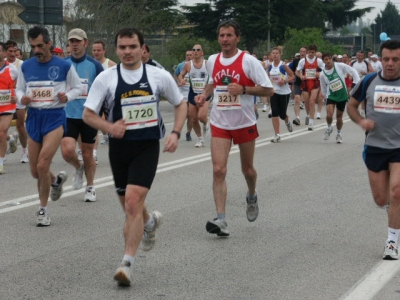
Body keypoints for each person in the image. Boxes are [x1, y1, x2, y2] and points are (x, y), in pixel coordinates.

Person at [82, 27, 187, 286]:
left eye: (132, 46)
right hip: (119, 148)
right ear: (116, 49)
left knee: (132, 203)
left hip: (147, 146)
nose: (127, 52)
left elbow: (180, 103)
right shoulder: (106, 78)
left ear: (142, 48)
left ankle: (126, 264)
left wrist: (175, 132)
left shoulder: (158, 76)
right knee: (132, 208)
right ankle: (149, 222)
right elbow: (88, 114)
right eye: (122, 47)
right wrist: (109, 128)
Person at [195, 20, 274, 236]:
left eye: (229, 35)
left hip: (244, 122)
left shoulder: (248, 61)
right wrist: (205, 94)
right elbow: (213, 83)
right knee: (218, 169)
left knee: (247, 170)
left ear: (237, 38)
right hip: (220, 122)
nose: (225, 39)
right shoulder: (212, 60)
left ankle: (251, 195)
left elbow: (269, 90)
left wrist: (245, 89)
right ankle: (221, 220)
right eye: (222, 35)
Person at [16, 26, 82, 226]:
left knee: (43, 164)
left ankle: (42, 210)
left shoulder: (63, 66)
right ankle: (55, 181)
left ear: (49, 44)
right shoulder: (26, 66)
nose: (36, 50)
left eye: (40, 45)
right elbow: (19, 89)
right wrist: (23, 98)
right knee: (36, 171)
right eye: (33, 46)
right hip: (34, 117)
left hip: (54, 117)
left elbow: (78, 87)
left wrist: (67, 96)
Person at [347, 40, 400, 260]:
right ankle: (393, 209)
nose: (390, 64)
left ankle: (391, 243)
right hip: (375, 147)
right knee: (381, 199)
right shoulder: (368, 81)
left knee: (397, 191)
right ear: (380, 59)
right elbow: (351, 105)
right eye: (386, 59)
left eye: (395, 59)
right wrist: (361, 121)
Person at [61, 28, 103, 202]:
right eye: (72, 41)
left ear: (85, 43)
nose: (75, 44)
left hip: (88, 116)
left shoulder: (95, 65)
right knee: (67, 150)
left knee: (87, 154)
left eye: (78, 41)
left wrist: (103, 112)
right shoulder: (63, 64)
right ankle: (78, 168)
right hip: (67, 115)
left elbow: (104, 89)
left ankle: (90, 187)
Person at [319, 52, 359, 143]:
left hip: (342, 95)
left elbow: (353, 71)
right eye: (326, 59)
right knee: (329, 114)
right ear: (323, 61)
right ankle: (329, 127)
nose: (328, 61)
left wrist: (355, 82)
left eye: (329, 58)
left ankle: (338, 133)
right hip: (331, 95)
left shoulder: (339, 66)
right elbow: (323, 87)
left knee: (339, 116)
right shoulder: (322, 74)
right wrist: (325, 97)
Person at [178, 44, 210, 147]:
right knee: (194, 119)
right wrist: (181, 80)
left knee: (201, 116)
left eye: (198, 50)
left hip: (205, 93)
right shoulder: (188, 65)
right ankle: (200, 139)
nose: (195, 52)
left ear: (202, 52)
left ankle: (206, 123)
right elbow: (181, 74)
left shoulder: (207, 64)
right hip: (193, 93)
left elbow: (214, 76)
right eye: (194, 50)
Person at [5, 40, 28, 163]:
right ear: (5, 52)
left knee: (20, 126)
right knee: (2, 128)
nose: (13, 54)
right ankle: (10, 139)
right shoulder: (2, 64)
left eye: (15, 51)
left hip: (18, 99)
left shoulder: (22, 64)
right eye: (10, 51)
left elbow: (25, 82)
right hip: (5, 99)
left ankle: (25, 151)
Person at [91, 39, 117, 146]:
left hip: (108, 96)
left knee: (106, 117)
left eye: (98, 50)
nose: (96, 52)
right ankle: (107, 135)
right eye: (94, 50)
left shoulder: (110, 64)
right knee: (98, 117)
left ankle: (110, 134)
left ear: (104, 51)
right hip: (95, 95)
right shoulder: (90, 63)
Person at [267, 47, 295, 142]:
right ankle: (277, 135)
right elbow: (267, 77)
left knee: (282, 114)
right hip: (274, 92)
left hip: (284, 93)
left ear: (280, 55)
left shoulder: (283, 66)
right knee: (274, 113)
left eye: (276, 53)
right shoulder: (270, 66)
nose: (274, 55)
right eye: (273, 53)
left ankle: (287, 121)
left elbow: (292, 76)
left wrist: (285, 81)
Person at [295, 44, 325, 130]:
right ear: (307, 52)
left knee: (312, 102)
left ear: (315, 53)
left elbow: (325, 70)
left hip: (315, 83)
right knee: (307, 103)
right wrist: (301, 76)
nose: (311, 54)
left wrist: (319, 74)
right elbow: (297, 72)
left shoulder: (318, 61)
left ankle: (311, 122)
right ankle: (308, 115)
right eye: (309, 52)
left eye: (312, 52)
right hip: (305, 83)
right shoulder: (303, 61)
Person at [0, 42, 19, 174]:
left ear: (4, 53)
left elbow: (19, 86)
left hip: (8, 106)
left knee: (1, 132)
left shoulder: (12, 69)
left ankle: (0, 162)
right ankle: (11, 138)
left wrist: (16, 96)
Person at [174, 49, 193, 141]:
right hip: (183, 92)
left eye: (190, 55)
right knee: (184, 114)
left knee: (190, 114)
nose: (188, 56)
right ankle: (177, 131)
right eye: (187, 55)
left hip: (192, 91)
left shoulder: (197, 65)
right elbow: (176, 75)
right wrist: (179, 82)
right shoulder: (181, 65)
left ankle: (188, 133)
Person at [290, 47, 306, 125]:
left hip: (308, 83)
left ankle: (309, 116)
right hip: (298, 82)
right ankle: (297, 118)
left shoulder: (310, 61)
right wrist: (292, 76)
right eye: (301, 51)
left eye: (304, 51)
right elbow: (291, 70)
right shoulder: (296, 61)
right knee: (297, 98)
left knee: (309, 101)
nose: (302, 53)